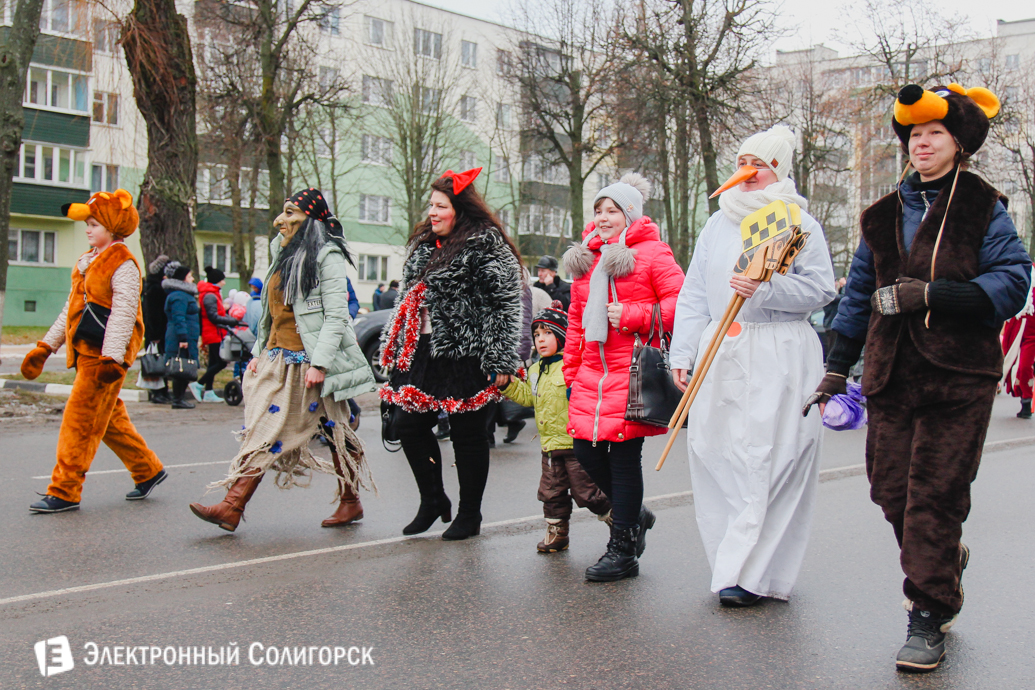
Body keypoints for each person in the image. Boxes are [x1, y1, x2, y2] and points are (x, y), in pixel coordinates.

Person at [808, 84, 1030, 672]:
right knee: (891, 492)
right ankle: (944, 559)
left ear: (958, 142)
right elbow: (857, 294)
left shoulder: (985, 206)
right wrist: (835, 366)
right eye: (914, 135)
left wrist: (934, 294)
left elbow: (1013, 282)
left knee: (934, 496)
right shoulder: (880, 214)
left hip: (959, 378)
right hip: (890, 375)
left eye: (933, 133)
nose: (922, 143)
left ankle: (927, 612)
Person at [670, 125, 836, 607]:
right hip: (721, 351)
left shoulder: (800, 223)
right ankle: (729, 562)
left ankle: (755, 574)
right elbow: (696, 291)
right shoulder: (717, 222)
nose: (746, 171)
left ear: (777, 170)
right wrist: (684, 352)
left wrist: (765, 290)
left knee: (773, 457)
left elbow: (821, 289)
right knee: (717, 452)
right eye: (741, 160)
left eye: (757, 163)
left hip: (778, 352)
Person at [190, 188, 376, 532]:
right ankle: (351, 501)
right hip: (281, 358)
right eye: (283, 211)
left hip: (310, 365)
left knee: (273, 430)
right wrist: (262, 351)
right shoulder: (283, 253)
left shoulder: (328, 257)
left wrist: (319, 365)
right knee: (332, 429)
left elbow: (337, 317)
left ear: (311, 219)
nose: (282, 220)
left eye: (292, 213)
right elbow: (271, 315)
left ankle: (233, 505)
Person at [380, 167, 523, 541]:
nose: (433, 212)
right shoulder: (425, 246)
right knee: (406, 425)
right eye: (431, 205)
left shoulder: (485, 244)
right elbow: (404, 300)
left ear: (459, 209)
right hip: (423, 350)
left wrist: (502, 360)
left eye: (440, 206)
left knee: (468, 434)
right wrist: (397, 349)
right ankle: (433, 500)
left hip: (467, 351)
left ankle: (469, 514)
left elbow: (505, 304)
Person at [563, 173, 685, 581]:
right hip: (591, 374)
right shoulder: (588, 260)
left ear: (630, 215)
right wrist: (569, 371)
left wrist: (634, 315)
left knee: (623, 460)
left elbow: (680, 305)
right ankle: (635, 515)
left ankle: (623, 550)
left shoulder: (653, 254)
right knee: (585, 452)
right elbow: (577, 323)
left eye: (611, 210)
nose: (602, 217)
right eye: (598, 210)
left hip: (631, 370)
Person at [21, 189, 166, 513]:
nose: (88, 229)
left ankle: (65, 490)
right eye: (87, 223)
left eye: (94, 223)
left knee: (80, 421)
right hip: (87, 352)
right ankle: (148, 470)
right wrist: (45, 346)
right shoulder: (88, 261)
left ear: (113, 227)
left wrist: (112, 358)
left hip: (104, 358)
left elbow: (125, 311)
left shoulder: (123, 262)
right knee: (109, 420)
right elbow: (70, 311)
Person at [501, 304, 611, 552]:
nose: (541, 340)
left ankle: (622, 523)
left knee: (588, 493)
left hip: (575, 444)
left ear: (562, 336)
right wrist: (508, 384)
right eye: (537, 334)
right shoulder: (534, 370)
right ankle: (557, 533)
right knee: (552, 493)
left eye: (547, 333)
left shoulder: (572, 365)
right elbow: (530, 398)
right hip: (549, 447)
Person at [191, 266, 242, 403]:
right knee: (220, 362)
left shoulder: (212, 293)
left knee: (213, 363)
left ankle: (208, 391)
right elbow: (213, 316)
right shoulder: (210, 295)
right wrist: (231, 321)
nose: (224, 282)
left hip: (215, 331)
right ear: (217, 280)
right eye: (222, 280)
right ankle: (199, 384)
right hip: (213, 332)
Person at [162, 262, 200, 410]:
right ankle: (178, 399)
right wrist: (183, 338)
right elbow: (179, 317)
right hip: (181, 337)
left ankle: (179, 398)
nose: (192, 279)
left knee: (184, 367)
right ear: (183, 278)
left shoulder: (183, 295)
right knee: (181, 368)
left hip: (186, 335)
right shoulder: (179, 296)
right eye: (190, 276)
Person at [1001, 265, 1035, 418]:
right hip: (1017, 324)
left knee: (1024, 366)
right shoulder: (1021, 273)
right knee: (1009, 361)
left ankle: (1026, 400)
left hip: (1032, 332)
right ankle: (1024, 399)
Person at [141, 253, 172, 404]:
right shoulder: (155, 289)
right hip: (156, 333)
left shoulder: (155, 287)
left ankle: (163, 391)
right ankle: (157, 392)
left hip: (159, 331)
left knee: (160, 361)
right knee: (155, 362)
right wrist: (155, 334)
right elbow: (152, 314)